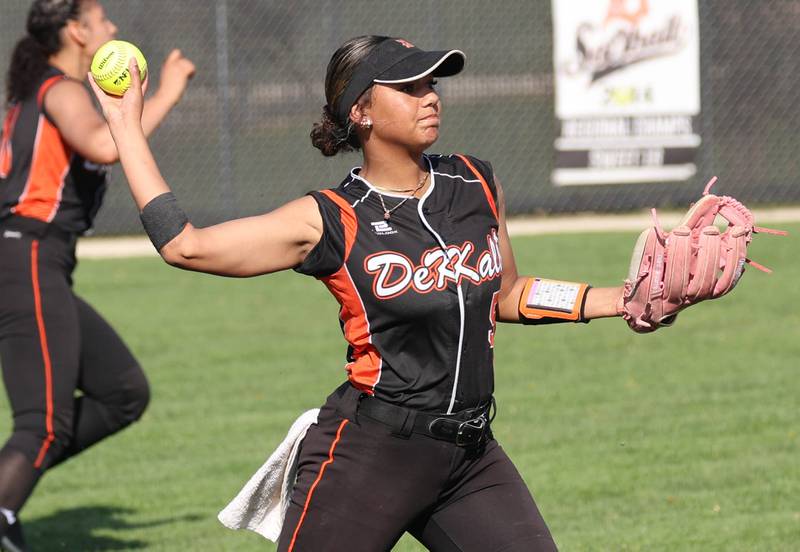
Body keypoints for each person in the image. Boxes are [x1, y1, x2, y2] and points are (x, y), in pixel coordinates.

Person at [90, 35, 625, 552]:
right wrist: (124, 126)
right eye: (410, 87)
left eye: (431, 83)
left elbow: (507, 293)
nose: (431, 95)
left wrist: (619, 299)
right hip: (371, 456)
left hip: (470, 456)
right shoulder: (331, 218)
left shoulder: (476, 184)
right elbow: (187, 246)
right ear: (361, 111)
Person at [0, 1, 195, 549]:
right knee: (41, 424)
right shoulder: (59, 89)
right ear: (76, 31)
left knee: (123, 392)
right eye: (101, 19)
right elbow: (107, 144)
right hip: (26, 255)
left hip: (42, 261)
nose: (111, 28)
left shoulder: (53, 88)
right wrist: (167, 94)